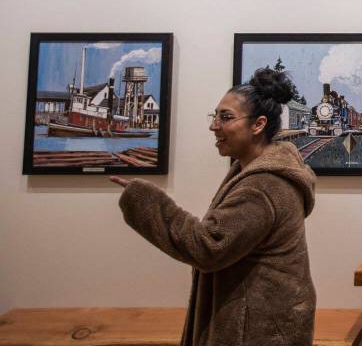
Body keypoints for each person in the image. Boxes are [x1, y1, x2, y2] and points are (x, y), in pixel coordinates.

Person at [110, 68, 317, 346]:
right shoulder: (257, 173)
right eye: (215, 116)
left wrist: (146, 201)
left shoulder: (262, 186)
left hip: (255, 333)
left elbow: (208, 246)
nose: (214, 125)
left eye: (226, 117)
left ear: (258, 125)